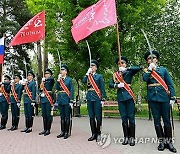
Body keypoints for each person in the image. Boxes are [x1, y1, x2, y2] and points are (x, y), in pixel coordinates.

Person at [143, 50, 177, 153]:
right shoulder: (146, 71)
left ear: (157, 59)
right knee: (157, 121)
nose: (152, 59)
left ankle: (169, 142)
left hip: (164, 98)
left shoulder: (163, 70)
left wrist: (172, 97)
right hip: (153, 99)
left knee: (166, 121)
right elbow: (145, 79)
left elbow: (170, 84)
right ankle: (161, 142)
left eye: (153, 58)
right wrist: (149, 70)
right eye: (149, 58)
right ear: (148, 61)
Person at [109, 56, 141, 146]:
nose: (121, 64)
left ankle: (132, 138)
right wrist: (117, 85)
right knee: (123, 118)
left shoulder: (129, 71)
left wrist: (126, 68)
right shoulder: (115, 75)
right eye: (119, 63)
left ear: (125, 64)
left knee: (131, 117)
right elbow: (110, 84)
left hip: (129, 97)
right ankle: (126, 137)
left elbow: (138, 68)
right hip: (121, 98)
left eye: (123, 63)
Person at [82, 60, 106, 142]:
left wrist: (103, 98)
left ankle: (98, 133)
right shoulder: (88, 76)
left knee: (98, 117)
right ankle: (93, 134)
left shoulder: (99, 76)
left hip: (96, 97)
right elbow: (84, 81)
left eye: (93, 66)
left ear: (96, 67)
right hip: (89, 97)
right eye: (90, 66)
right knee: (91, 117)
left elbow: (102, 87)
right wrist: (87, 74)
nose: (91, 67)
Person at [55, 64, 74, 139]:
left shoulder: (69, 80)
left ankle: (67, 132)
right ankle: (62, 132)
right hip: (60, 100)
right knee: (62, 117)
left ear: (66, 72)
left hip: (66, 100)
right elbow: (56, 88)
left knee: (67, 117)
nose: (61, 71)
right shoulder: (60, 80)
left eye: (62, 70)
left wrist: (71, 101)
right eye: (61, 70)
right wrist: (58, 81)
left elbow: (71, 90)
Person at [39, 69, 55, 136]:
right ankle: (45, 129)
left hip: (48, 99)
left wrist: (46, 79)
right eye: (45, 74)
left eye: (48, 74)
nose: (46, 75)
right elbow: (39, 90)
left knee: (48, 115)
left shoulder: (50, 80)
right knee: (44, 115)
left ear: (50, 74)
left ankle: (48, 129)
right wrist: (40, 94)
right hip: (43, 99)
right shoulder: (43, 82)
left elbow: (52, 80)